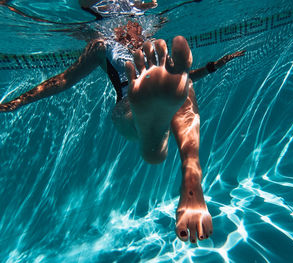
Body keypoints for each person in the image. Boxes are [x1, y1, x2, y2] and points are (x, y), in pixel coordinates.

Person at [0, 20, 245, 242]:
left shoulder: (146, 46)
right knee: (174, 95)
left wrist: (212, 67)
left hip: (133, 108)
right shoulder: (100, 46)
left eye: (135, 24)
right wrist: (21, 100)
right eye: (125, 24)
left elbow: (177, 80)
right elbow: (65, 79)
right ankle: (176, 155)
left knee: (183, 83)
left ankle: (159, 139)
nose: (130, 29)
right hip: (132, 108)